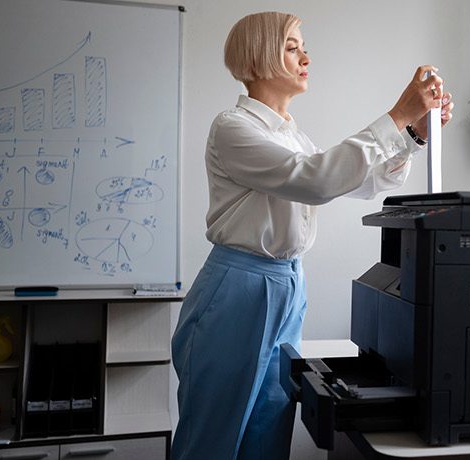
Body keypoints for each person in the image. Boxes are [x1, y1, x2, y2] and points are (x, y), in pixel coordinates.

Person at [170, 11, 453, 460]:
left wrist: (414, 134)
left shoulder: (293, 136)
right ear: (259, 59)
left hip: (286, 283)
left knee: (269, 427)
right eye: (292, 47)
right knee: (214, 436)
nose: (306, 56)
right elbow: (316, 180)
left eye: (302, 46)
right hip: (239, 287)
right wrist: (397, 115)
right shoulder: (233, 128)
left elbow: (360, 182)